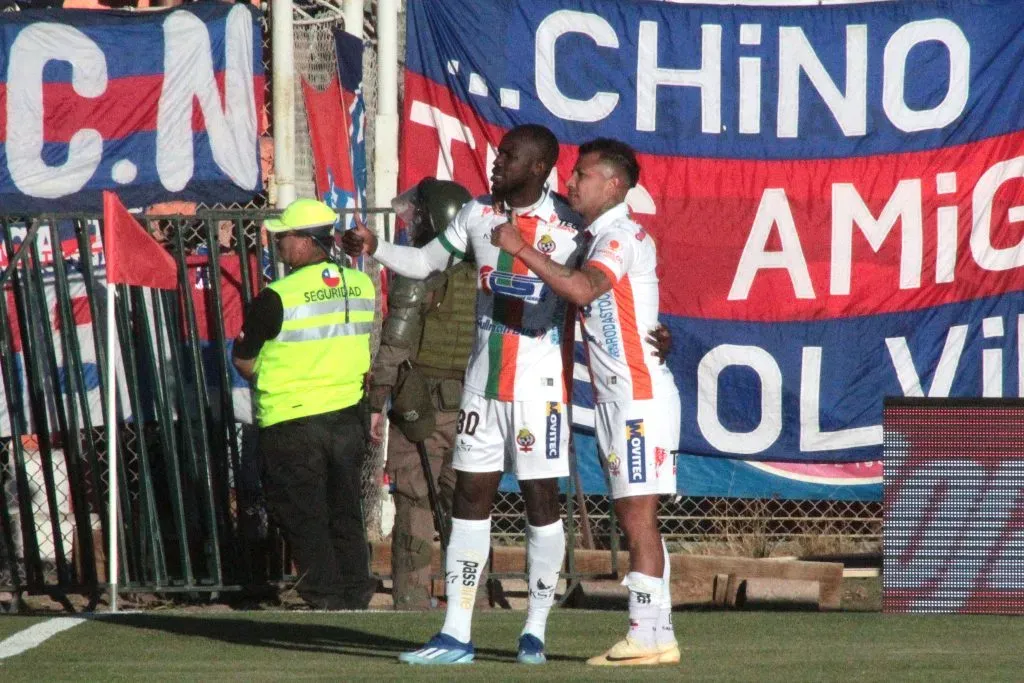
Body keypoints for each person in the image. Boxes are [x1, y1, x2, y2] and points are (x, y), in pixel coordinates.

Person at [345, 124, 583, 665]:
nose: (497, 162)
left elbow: (594, 288)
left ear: (540, 167)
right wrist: (376, 247)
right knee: (469, 501)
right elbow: (426, 262)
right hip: (481, 386)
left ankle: (536, 630)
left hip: (536, 390)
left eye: (510, 156)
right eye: (499, 153)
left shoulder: (569, 225)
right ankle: (456, 632)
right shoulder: (477, 214)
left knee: (541, 504)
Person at [491, 138, 681, 666]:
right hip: (624, 397)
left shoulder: (618, 236)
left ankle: (644, 635)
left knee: (636, 516)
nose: (571, 183)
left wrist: (521, 247)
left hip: (637, 399)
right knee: (638, 515)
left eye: (583, 175)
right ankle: (657, 632)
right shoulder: (600, 235)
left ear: (614, 185)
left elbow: (582, 291)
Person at [232, 197, 378, 610]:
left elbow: (244, 359)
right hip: (347, 416)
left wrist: (271, 375)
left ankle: (325, 595)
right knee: (344, 508)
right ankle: (355, 591)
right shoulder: (361, 284)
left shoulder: (277, 296)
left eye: (284, 236)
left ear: (306, 242)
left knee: (304, 513)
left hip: (292, 420)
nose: (277, 242)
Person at [368, 178, 476, 610]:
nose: (411, 224)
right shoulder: (486, 273)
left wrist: (376, 402)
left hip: (423, 409)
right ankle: (472, 601)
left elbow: (394, 346)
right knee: (470, 507)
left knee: (415, 503)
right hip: (474, 408)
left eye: (418, 217)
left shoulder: (420, 275)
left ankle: (412, 603)